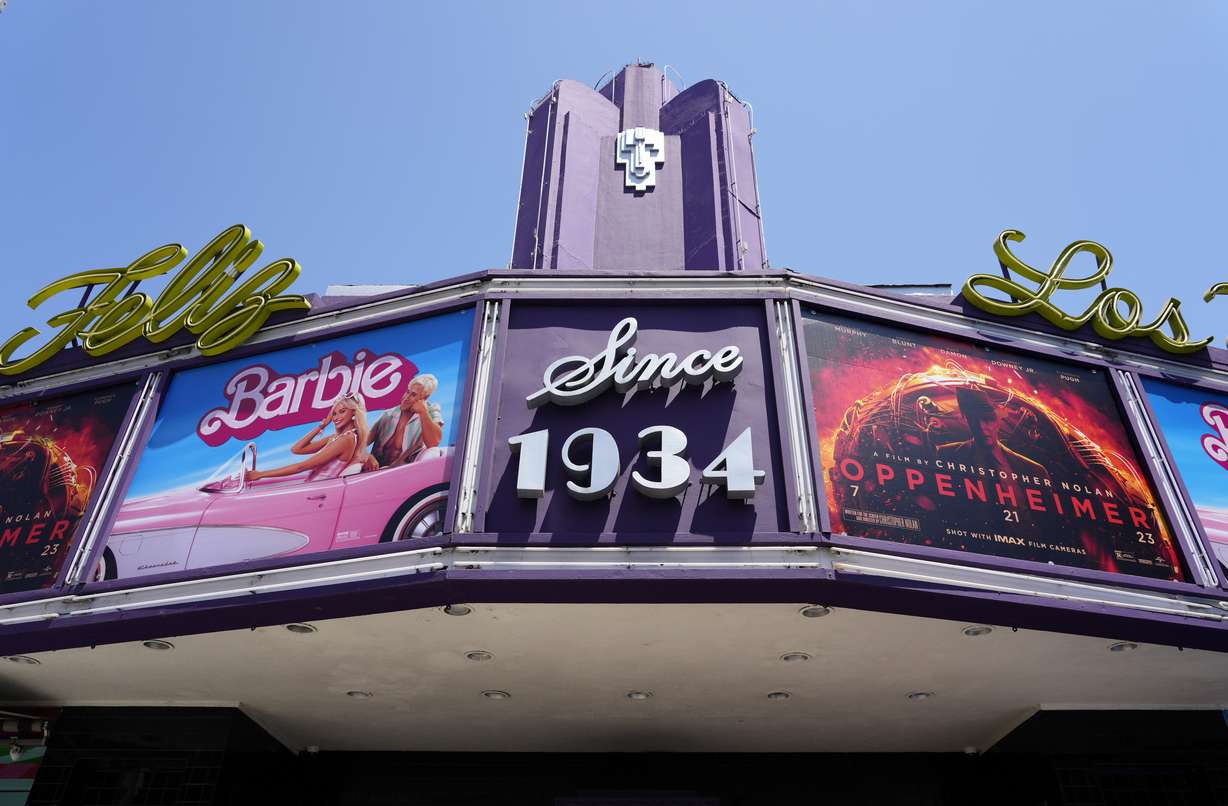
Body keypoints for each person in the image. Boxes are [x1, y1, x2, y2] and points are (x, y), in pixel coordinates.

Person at [248, 393, 370, 482]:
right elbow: (297, 449)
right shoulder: (335, 437)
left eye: (342, 411)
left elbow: (302, 466)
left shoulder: (346, 440)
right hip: (312, 487)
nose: (336, 417)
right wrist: (322, 426)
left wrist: (261, 474)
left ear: (354, 412)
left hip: (319, 493)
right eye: (334, 413)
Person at [936, 385, 1049, 480]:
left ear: (998, 421)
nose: (981, 427)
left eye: (987, 420)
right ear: (966, 419)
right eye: (974, 420)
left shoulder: (1035, 471)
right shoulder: (946, 454)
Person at [368, 374, 444, 468]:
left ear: (425, 398)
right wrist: (367, 456)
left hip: (403, 474)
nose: (406, 397)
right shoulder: (388, 415)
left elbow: (433, 443)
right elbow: (362, 441)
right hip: (371, 474)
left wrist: (423, 413)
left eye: (413, 395)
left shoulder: (431, 413)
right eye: (407, 392)